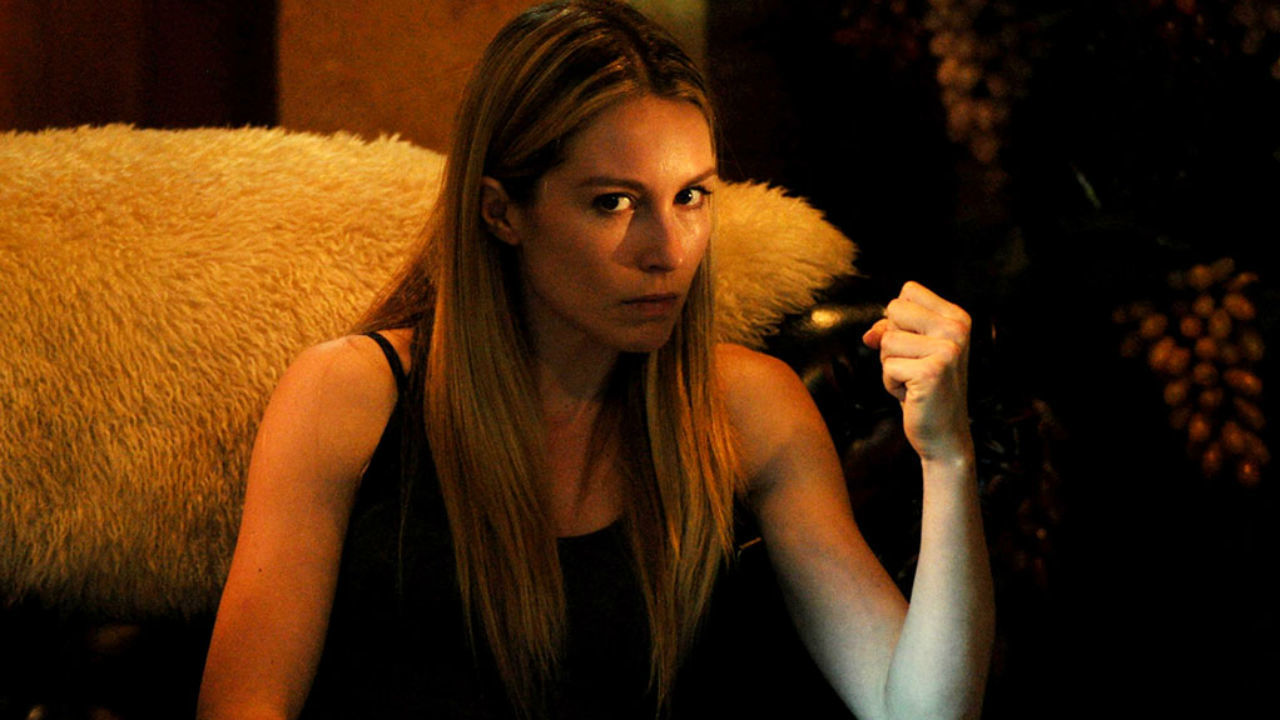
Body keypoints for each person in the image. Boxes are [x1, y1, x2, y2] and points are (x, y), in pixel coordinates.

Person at [196, 1, 994, 718]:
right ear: (501, 210)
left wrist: (947, 457)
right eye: (614, 202)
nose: (667, 250)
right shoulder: (349, 394)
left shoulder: (747, 408)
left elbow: (917, 708)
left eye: (691, 196)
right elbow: (244, 703)